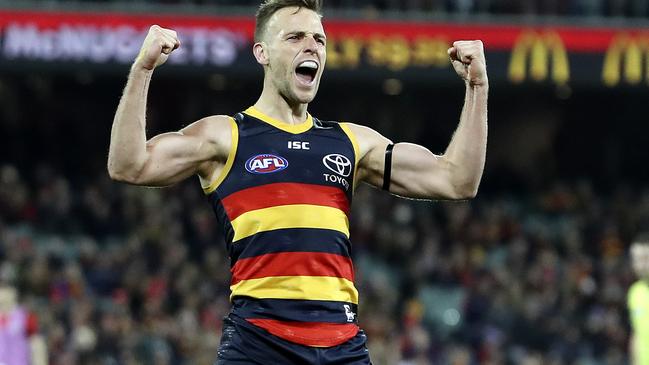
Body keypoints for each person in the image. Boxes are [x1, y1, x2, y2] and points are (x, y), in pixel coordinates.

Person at [107, 0, 488, 363]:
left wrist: (477, 88)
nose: (312, 46)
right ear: (262, 53)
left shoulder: (352, 142)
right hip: (258, 343)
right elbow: (129, 166)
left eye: (319, 39)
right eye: (295, 37)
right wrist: (143, 69)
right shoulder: (225, 136)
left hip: (342, 345)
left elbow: (457, 180)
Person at [629, 235, 649, 365]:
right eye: (636, 259)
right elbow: (636, 334)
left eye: (645, 258)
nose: (640, 265)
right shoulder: (634, 292)